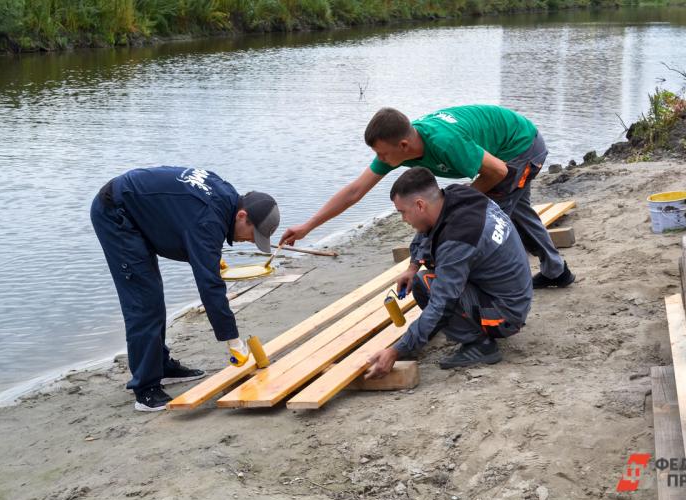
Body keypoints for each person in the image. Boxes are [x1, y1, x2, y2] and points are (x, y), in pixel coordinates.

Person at [280, 104, 574, 289]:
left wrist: (455, 204)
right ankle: (556, 270)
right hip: (500, 149)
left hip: (519, 148)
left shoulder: (445, 143)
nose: (379, 158)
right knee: (518, 210)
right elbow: (355, 191)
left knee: (488, 221)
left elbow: (498, 172)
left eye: (382, 153)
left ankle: (479, 291)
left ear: (404, 144)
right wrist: (308, 226)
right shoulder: (400, 150)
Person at [90, 166, 279, 411]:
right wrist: (232, 339)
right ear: (242, 216)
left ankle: (161, 365)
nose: (251, 241)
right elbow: (209, 285)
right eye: (253, 235)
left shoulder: (226, 198)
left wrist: (207, 254)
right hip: (116, 212)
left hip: (136, 208)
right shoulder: (208, 219)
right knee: (143, 301)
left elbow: (185, 220)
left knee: (152, 296)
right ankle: (145, 390)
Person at [364, 167, 532, 377]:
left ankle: (481, 345)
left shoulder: (459, 240)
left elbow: (441, 304)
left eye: (402, 212)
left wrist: (397, 350)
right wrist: (413, 265)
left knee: (426, 285)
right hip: (512, 294)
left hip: (506, 315)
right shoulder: (458, 195)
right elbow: (428, 232)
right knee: (421, 277)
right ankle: (458, 329)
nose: (403, 220)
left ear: (419, 205)